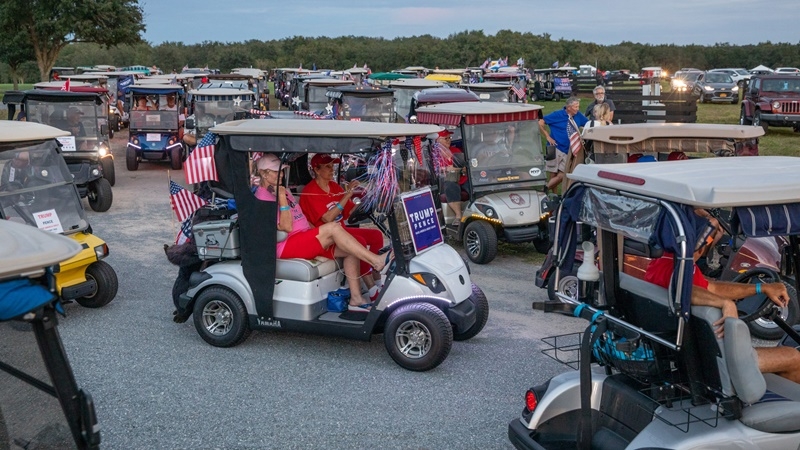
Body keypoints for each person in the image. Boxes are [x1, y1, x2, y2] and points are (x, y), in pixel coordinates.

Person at [255, 154, 386, 311]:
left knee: (351, 250)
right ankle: (376, 261)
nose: (281, 175)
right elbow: (287, 227)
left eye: (281, 172)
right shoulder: (263, 197)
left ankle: (356, 299)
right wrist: (282, 198)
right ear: (263, 173)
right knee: (333, 228)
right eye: (276, 172)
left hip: (303, 237)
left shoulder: (283, 190)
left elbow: (302, 217)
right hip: (286, 244)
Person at [645, 251, 800, 383]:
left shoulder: (673, 262)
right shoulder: (675, 271)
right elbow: (684, 290)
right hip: (710, 357)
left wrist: (760, 288)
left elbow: (711, 287)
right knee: (794, 357)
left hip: (698, 349)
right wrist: (726, 303)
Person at [299, 153, 384, 301]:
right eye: (328, 167)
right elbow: (328, 218)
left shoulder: (333, 186)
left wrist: (366, 202)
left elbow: (349, 211)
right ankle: (371, 289)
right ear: (317, 170)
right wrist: (346, 195)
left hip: (341, 230)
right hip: (325, 237)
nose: (332, 170)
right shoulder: (310, 191)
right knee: (359, 242)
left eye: (333, 166)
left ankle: (377, 281)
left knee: (376, 236)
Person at [539, 96, 589, 191]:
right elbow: (540, 122)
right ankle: (553, 195)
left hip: (568, 149)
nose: (578, 109)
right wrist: (547, 136)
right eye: (575, 107)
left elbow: (588, 124)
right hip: (554, 147)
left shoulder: (578, 115)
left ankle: (544, 189)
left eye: (578, 106)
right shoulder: (557, 115)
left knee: (563, 174)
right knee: (553, 173)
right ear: (568, 107)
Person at [432, 130, 468, 226]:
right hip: (446, 180)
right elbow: (435, 169)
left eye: (449, 138)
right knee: (451, 186)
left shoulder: (456, 151)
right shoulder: (435, 154)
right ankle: (458, 216)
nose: (448, 141)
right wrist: (446, 168)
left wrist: (463, 168)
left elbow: (464, 164)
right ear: (438, 140)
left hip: (461, 177)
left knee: (471, 184)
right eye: (445, 138)